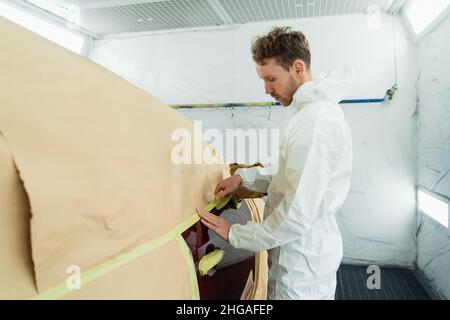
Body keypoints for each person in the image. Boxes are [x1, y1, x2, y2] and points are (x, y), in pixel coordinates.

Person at [197, 27, 354, 300]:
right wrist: (243, 180)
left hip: (300, 269)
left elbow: (296, 216)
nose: (267, 89)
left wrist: (236, 234)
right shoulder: (305, 112)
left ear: (297, 68)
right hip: (298, 257)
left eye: (271, 79)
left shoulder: (315, 122)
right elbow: (287, 174)